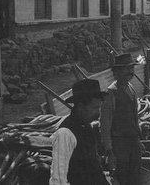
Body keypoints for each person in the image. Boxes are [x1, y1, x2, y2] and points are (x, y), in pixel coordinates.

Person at [49, 79, 110, 185]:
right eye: (95, 108)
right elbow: (58, 179)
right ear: (81, 106)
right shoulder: (65, 133)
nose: (98, 113)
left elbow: (94, 166)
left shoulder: (87, 128)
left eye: (99, 108)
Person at [100, 53, 143, 185]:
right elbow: (105, 125)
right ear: (116, 72)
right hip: (119, 145)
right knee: (122, 177)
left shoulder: (131, 88)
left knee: (135, 176)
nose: (130, 72)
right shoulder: (110, 93)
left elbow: (135, 118)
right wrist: (109, 151)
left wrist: (138, 140)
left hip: (133, 142)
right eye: (126, 68)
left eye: (132, 68)